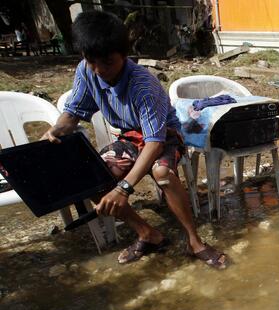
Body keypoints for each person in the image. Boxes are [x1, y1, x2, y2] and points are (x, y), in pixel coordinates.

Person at [42, 10, 227, 268]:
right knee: (94, 175)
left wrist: (124, 188)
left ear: (124, 55)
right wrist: (57, 129)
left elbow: (155, 143)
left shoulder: (143, 85)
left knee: (162, 171)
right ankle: (147, 233)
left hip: (165, 135)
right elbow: (73, 112)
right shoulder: (86, 71)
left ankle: (194, 241)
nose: (99, 70)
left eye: (107, 62)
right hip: (129, 135)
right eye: (92, 61)